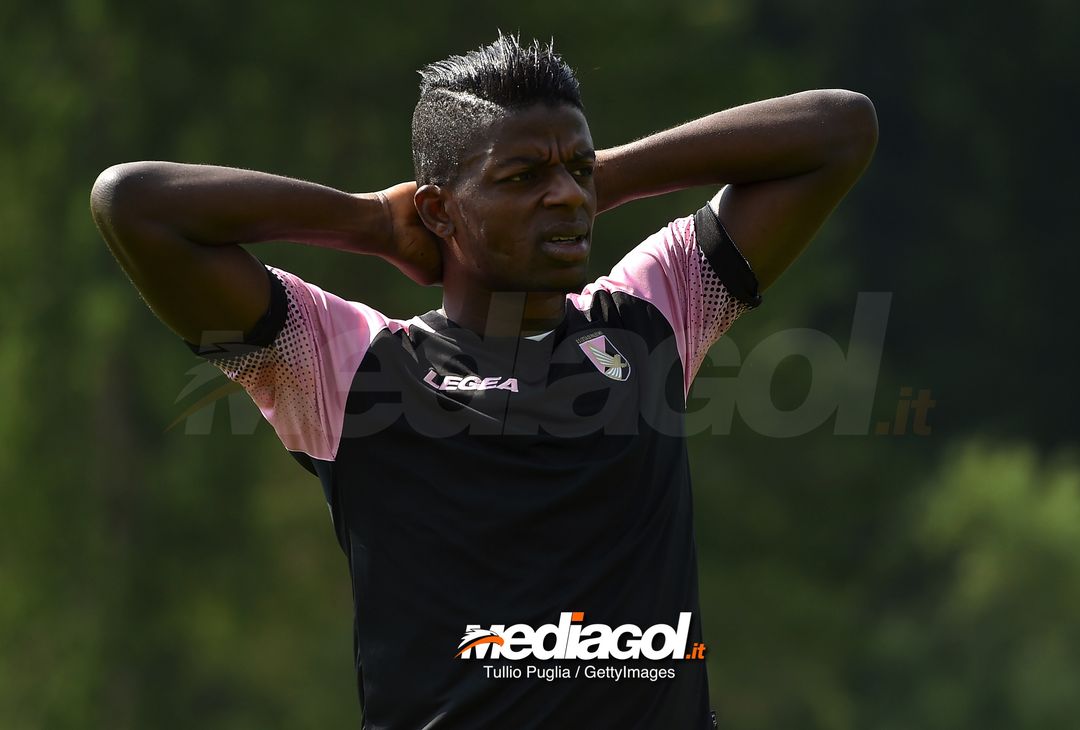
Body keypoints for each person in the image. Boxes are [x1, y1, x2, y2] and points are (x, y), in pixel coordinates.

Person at [91, 33, 876, 730]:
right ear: (439, 210)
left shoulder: (649, 318)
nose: (565, 195)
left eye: (576, 169)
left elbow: (839, 129)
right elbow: (134, 205)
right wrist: (367, 221)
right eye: (521, 176)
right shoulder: (350, 366)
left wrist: (596, 174)